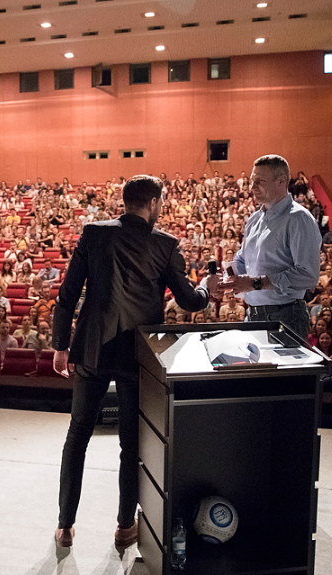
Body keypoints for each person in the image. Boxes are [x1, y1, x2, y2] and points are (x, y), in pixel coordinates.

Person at [52, 175, 212, 548]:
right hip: (136, 354)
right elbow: (189, 301)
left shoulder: (93, 233)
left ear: (125, 202)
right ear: (154, 203)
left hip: (92, 348)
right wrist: (208, 288)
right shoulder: (166, 244)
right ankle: (126, 528)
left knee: (77, 437)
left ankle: (64, 526)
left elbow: (67, 294)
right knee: (131, 445)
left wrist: (60, 345)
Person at [220, 155, 321, 337]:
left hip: (286, 316)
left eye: (260, 181)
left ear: (281, 181)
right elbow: (243, 259)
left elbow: (308, 275)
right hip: (253, 314)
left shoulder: (299, 219)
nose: (252, 187)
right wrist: (231, 278)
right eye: (252, 181)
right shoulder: (254, 219)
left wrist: (255, 283)